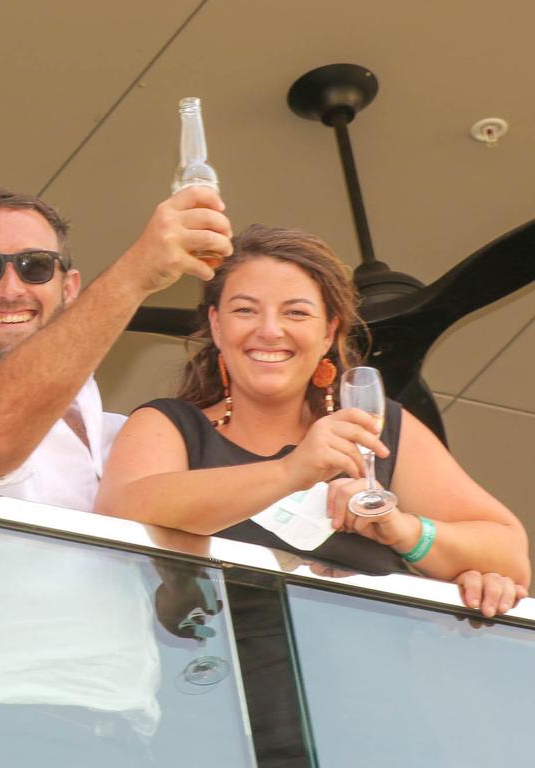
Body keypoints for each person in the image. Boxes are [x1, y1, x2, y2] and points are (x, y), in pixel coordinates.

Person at [0, 186, 233, 766]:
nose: (11, 288)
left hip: (122, 735)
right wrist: (137, 272)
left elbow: (181, 607)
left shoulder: (125, 434)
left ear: (69, 286)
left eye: (35, 266)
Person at [95, 223, 529, 610]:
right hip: (208, 680)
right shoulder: (170, 425)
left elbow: (510, 556)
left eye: (296, 312)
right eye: (245, 310)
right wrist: (290, 471)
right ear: (216, 325)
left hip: (373, 679)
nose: (269, 330)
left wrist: (404, 531)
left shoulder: (375, 428)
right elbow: (120, 512)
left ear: (328, 333)